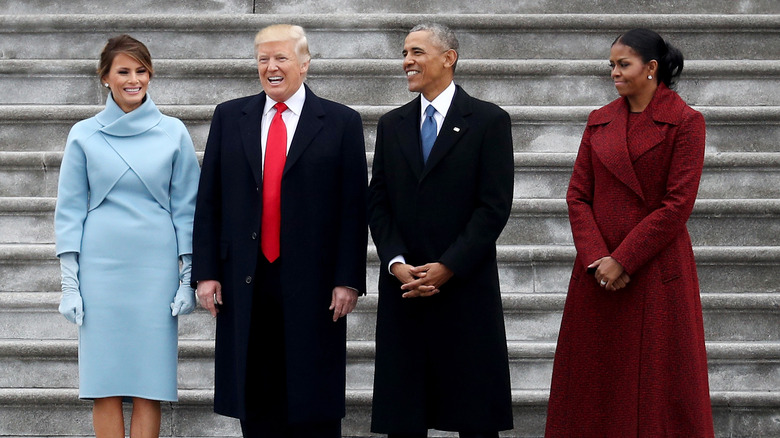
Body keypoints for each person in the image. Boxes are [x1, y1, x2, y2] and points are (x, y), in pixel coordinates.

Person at [191, 24, 368, 438]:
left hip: (315, 283)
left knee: (314, 401)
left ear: (304, 64)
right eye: (262, 59)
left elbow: (353, 208)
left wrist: (348, 280)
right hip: (245, 279)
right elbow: (210, 200)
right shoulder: (230, 116)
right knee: (256, 398)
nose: (271, 67)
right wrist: (207, 272)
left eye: (281, 58)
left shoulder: (342, 122)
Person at [545, 28, 714, 436]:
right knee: (594, 385)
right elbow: (577, 196)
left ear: (651, 68)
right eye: (611, 65)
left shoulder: (686, 122)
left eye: (624, 65)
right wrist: (596, 258)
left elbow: (677, 205)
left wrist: (623, 258)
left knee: (659, 388)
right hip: (597, 274)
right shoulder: (599, 120)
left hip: (654, 272)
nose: (614, 73)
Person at [368, 23, 515, 438]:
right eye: (404, 53)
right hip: (406, 287)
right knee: (405, 416)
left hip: (465, 287)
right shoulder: (392, 124)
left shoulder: (488, 121)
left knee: (473, 414)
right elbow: (378, 202)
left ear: (448, 58)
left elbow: (494, 206)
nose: (406, 62)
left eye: (416, 52)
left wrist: (449, 265)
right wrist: (396, 262)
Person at [54, 34, 200, 437]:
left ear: (150, 75)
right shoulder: (83, 134)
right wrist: (70, 284)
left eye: (141, 71)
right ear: (105, 77)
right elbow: (68, 211)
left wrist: (188, 278)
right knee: (105, 386)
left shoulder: (173, 132)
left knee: (149, 386)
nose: (133, 79)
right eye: (123, 71)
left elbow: (188, 208)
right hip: (101, 272)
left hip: (154, 273)